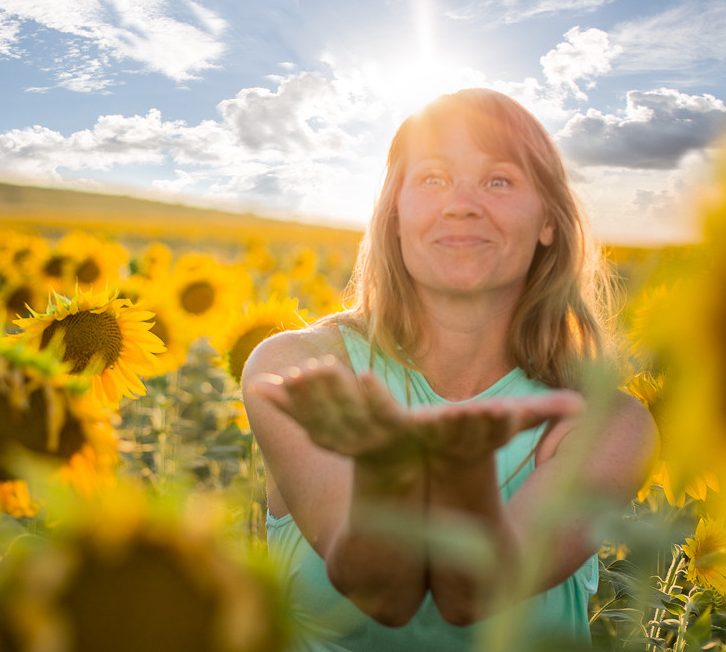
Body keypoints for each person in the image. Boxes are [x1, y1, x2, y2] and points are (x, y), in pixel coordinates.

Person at [243, 88, 657, 651]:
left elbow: (469, 594)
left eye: (499, 180)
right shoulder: (293, 364)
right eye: (433, 179)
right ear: (395, 214)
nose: (462, 204)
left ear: (548, 222)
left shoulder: (612, 425)